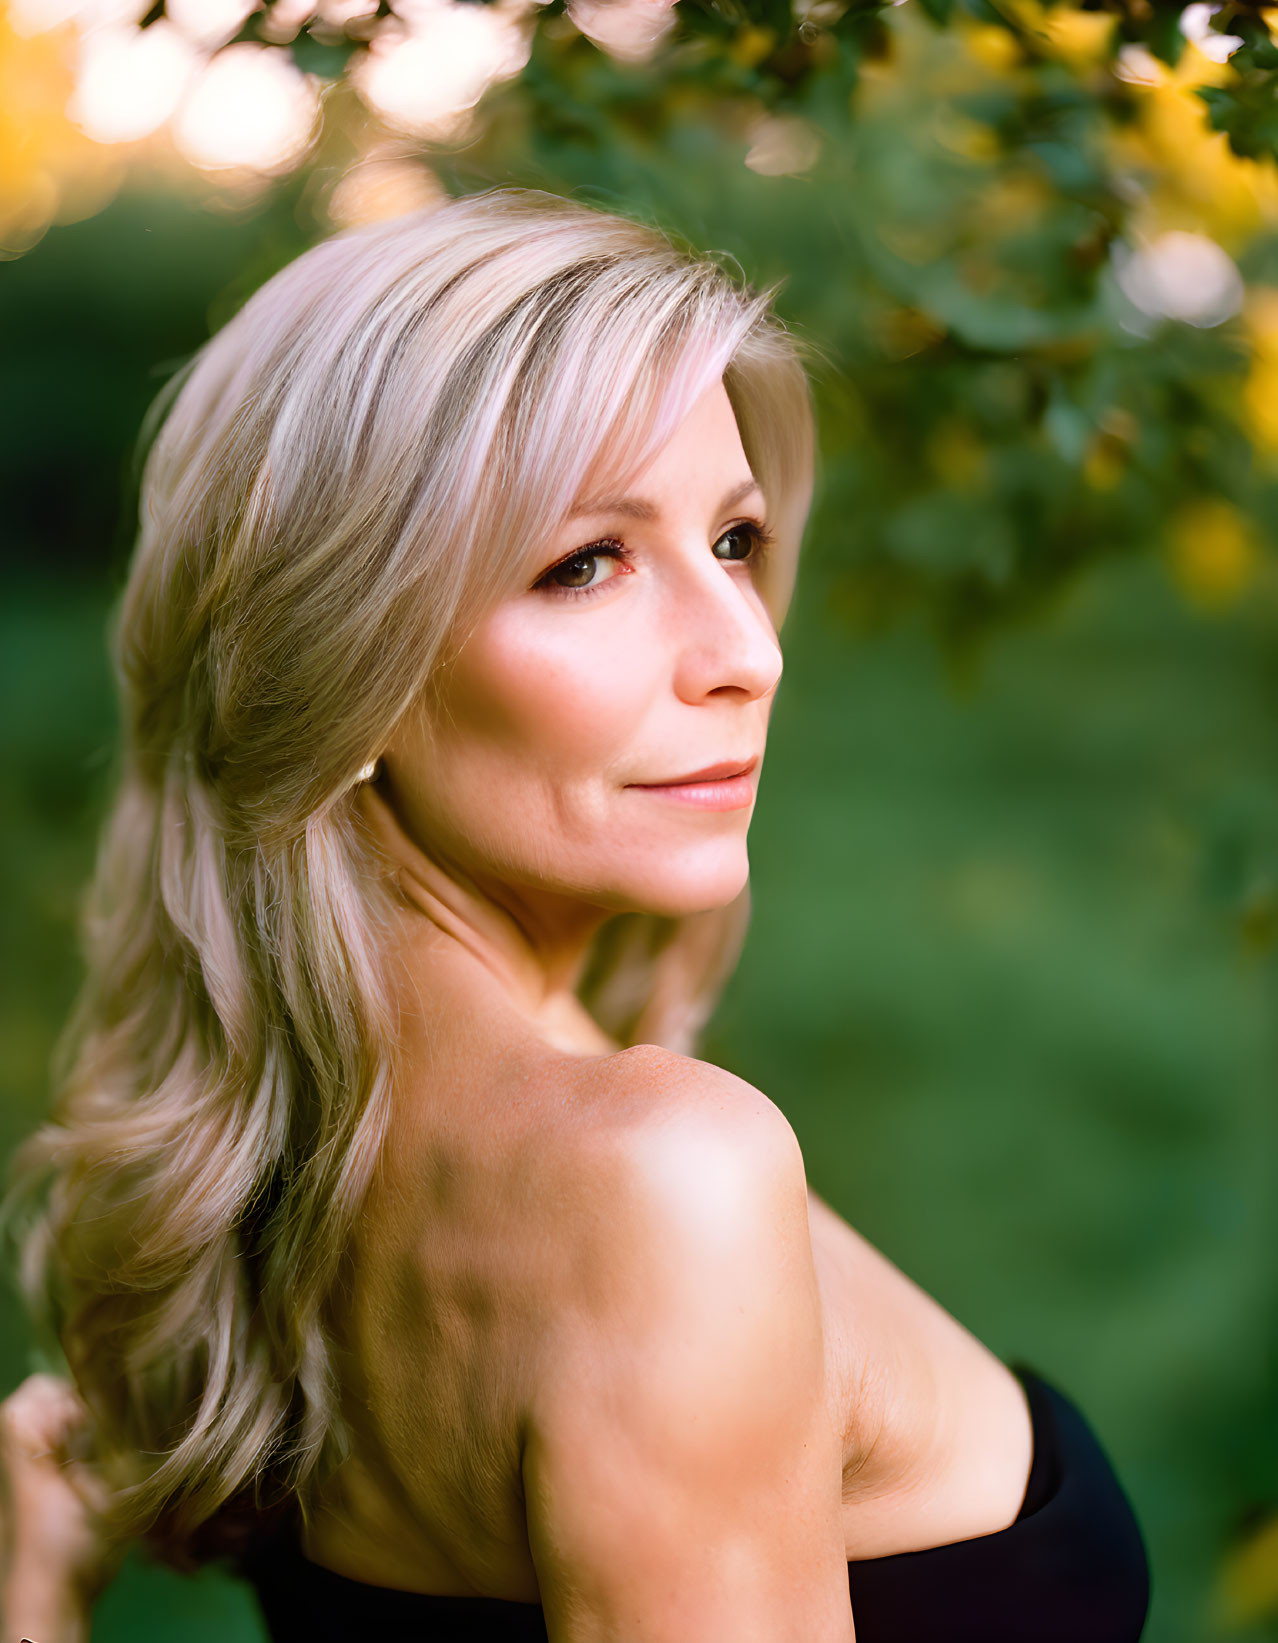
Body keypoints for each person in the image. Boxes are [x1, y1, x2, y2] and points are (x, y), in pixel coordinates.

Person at [0, 187, 1149, 1643]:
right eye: (584, 562)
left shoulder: (272, 1201)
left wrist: (31, 1597)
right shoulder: (662, 1184)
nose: (745, 652)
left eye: (732, 542)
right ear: (347, 667)